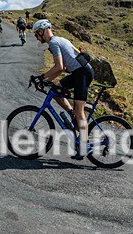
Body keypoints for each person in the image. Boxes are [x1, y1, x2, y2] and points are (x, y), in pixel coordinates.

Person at [31, 19, 95, 160]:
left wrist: (41, 77)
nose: (36, 37)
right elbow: (62, 68)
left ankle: (83, 146)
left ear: (42, 31)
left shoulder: (54, 43)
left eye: (36, 34)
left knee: (80, 111)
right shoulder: (56, 41)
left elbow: (59, 67)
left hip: (82, 73)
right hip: (78, 72)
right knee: (56, 90)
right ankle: (72, 114)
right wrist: (46, 80)